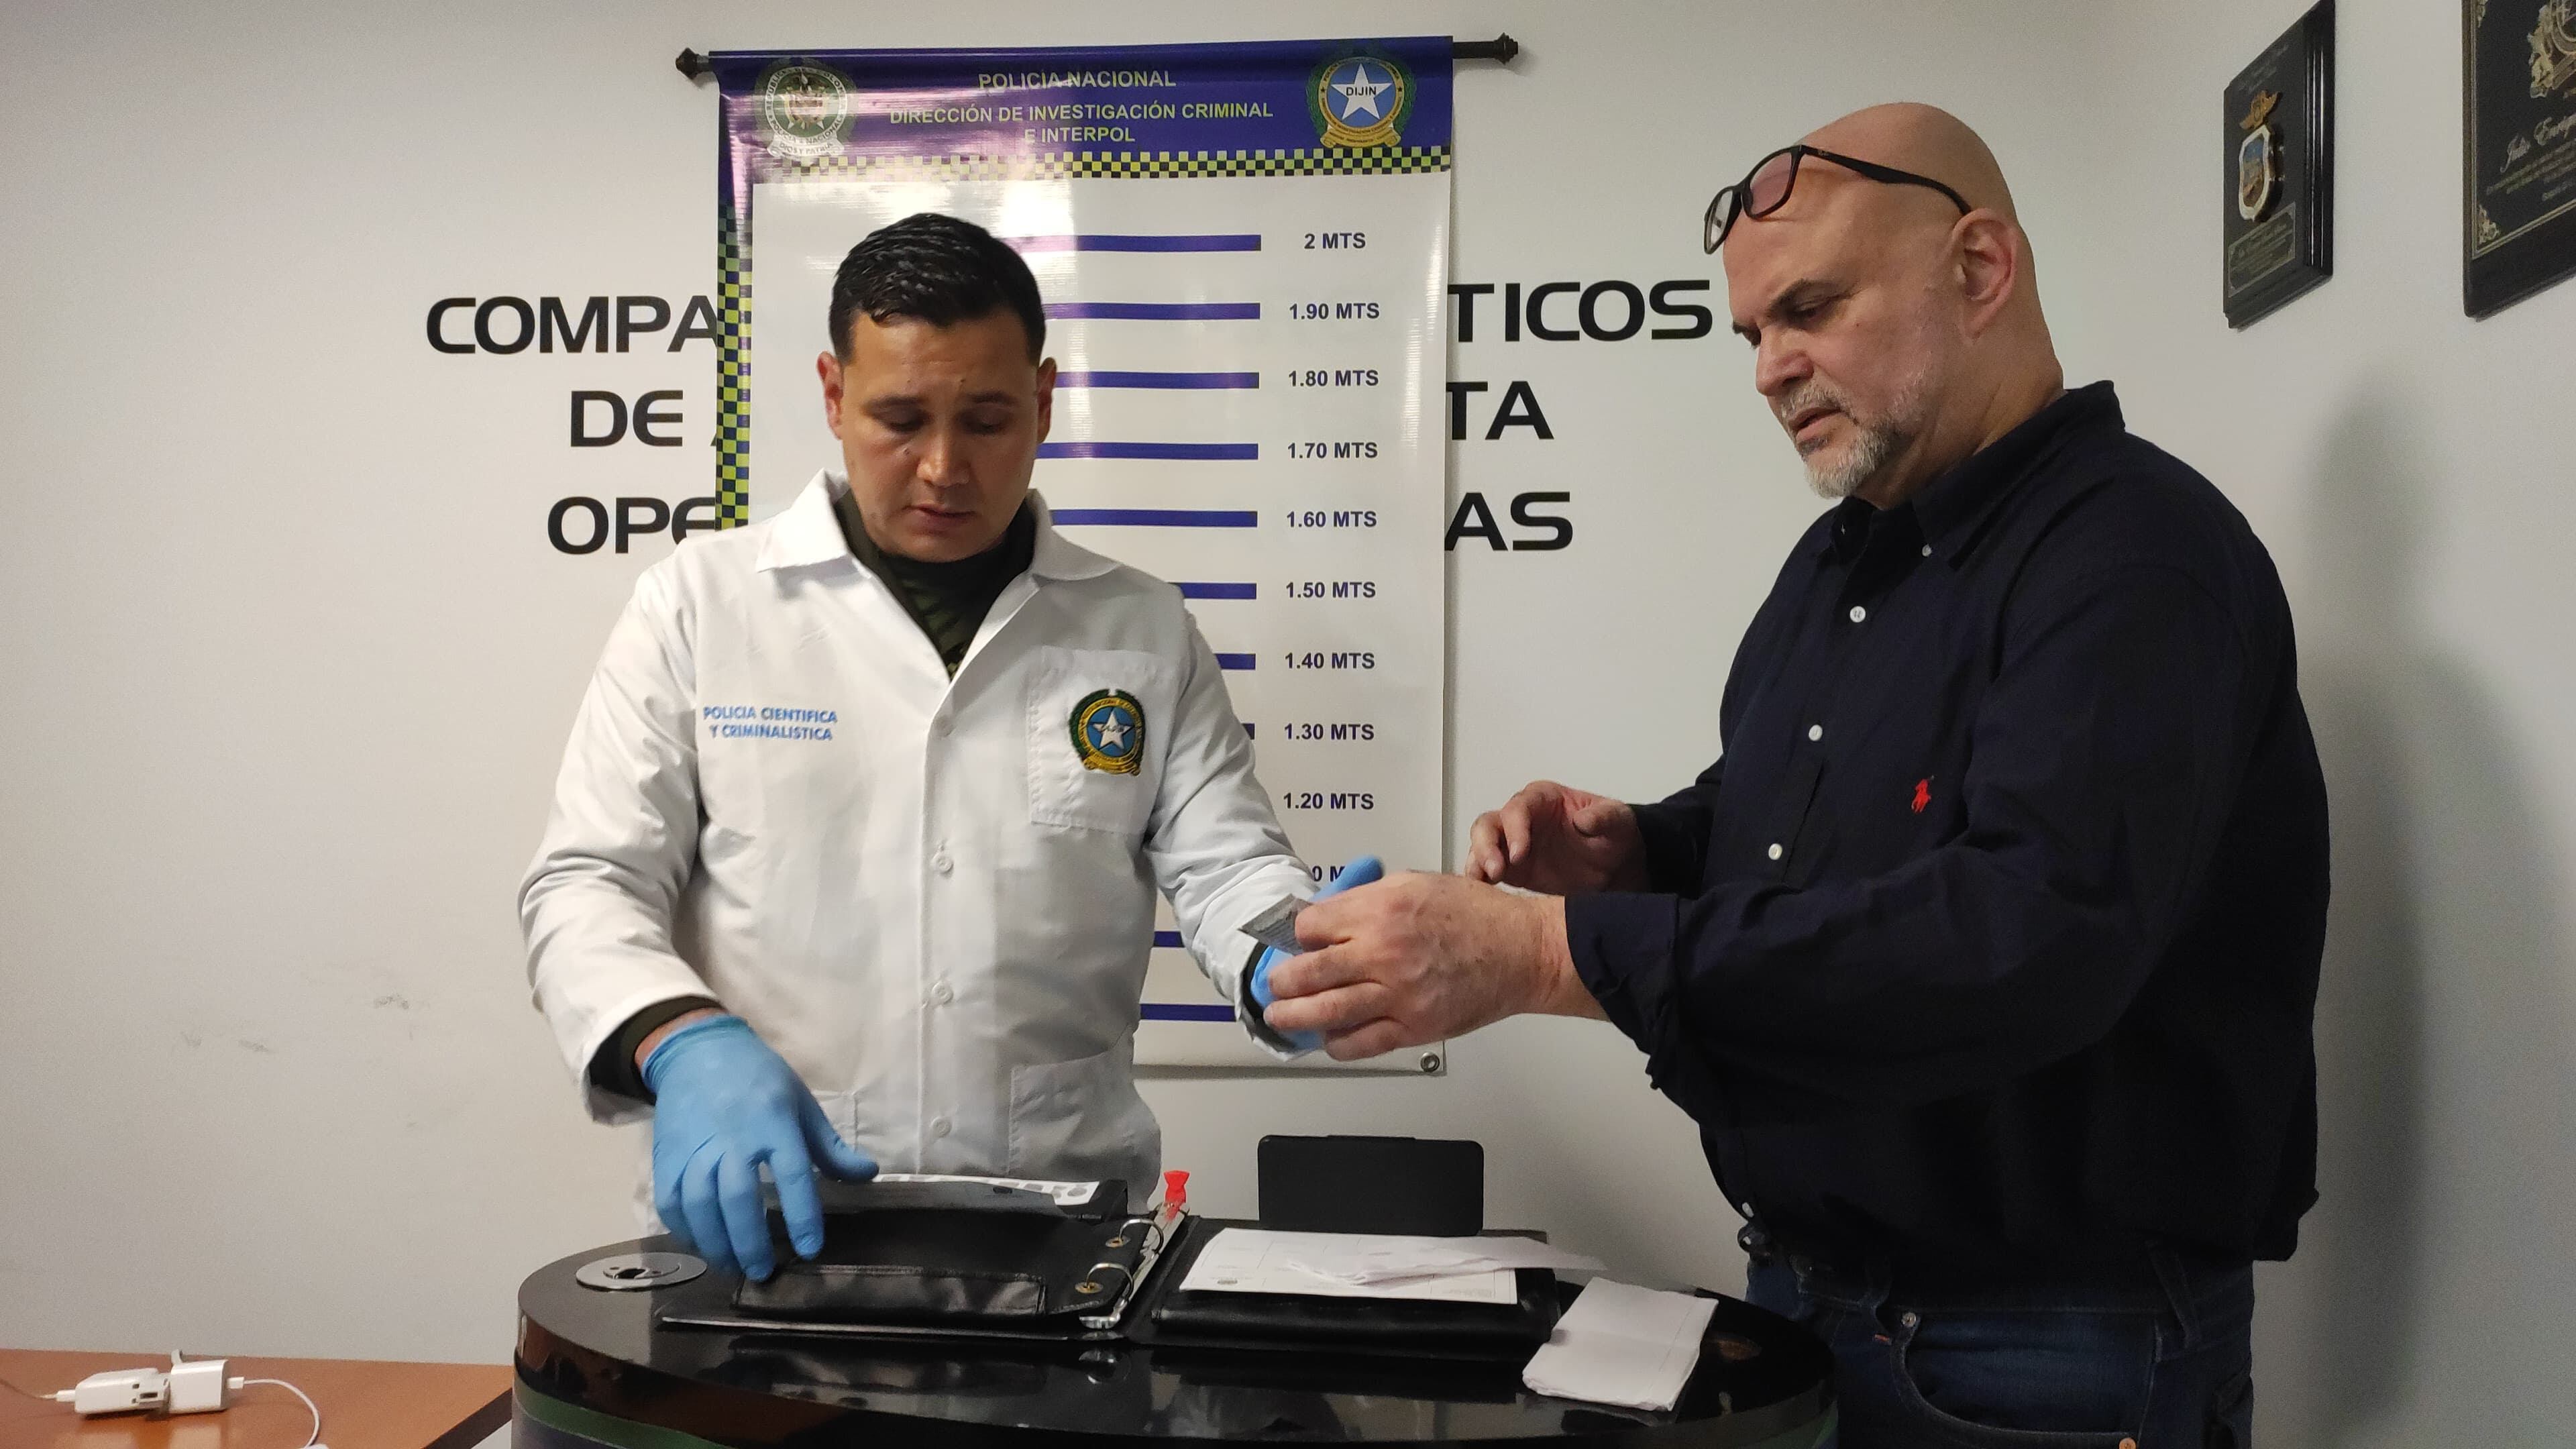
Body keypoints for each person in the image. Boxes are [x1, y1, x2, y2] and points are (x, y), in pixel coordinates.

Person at [1261, 103, 2326, 1447]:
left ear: (1980, 270)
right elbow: (1810, 828)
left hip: (2045, 1350)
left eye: (1812, 309)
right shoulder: (1842, 560)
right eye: (1754, 332)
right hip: (1816, 1299)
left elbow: (2023, 937)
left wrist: (1543, 951)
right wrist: (1642, 849)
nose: (1772, 368)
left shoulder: (2135, 558)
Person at [520, 213, 1352, 1283]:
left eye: (988, 420)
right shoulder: (700, 607)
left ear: (1044, 403)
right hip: (763, 1226)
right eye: (900, 418)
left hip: (1059, 1240)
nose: (944, 467)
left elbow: (1228, 865)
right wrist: (679, 1040)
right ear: (833, 395)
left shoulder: (1140, 628)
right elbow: (588, 882)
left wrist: (1291, 955)